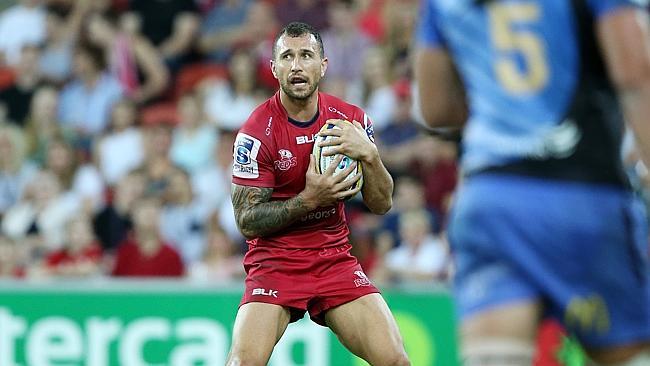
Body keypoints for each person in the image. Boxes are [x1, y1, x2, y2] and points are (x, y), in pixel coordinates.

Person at [414, 1, 650, 365]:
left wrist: (503, 111)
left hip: (489, 199)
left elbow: (436, 109)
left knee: (495, 358)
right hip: (582, 196)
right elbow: (635, 75)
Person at [227, 22, 410, 366]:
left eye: (306, 55)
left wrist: (370, 155)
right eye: (287, 57)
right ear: (274, 68)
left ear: (322, 66)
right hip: (275, 262)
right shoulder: (255, 133)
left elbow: (382, 203)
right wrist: (310, 198)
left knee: (396, 361)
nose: (296, 65)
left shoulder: (352, 121)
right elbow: (247, 221)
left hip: (333, 258)